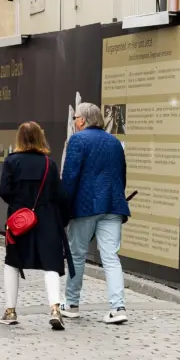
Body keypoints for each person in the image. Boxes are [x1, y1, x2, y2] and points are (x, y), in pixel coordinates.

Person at [60, 102, 130, 324]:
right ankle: (118, 307)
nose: (74, 122)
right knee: (111, 256)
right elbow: (122, 175)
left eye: (74, 119)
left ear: (81, 120)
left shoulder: (77, 140)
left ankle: (71, 303)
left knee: (77, 254)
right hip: (113, 205)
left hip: (85, 206)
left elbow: (70, 177)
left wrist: (64, 208)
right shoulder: (114, 142)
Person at [0, 120, 67, 330]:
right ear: (40, 138)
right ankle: (55, 308)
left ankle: (10, 310)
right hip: (46, 219)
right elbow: (58, 194)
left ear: (19, 139)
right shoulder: (49, 163)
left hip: (20, 220)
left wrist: (19, 204)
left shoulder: (12, 161)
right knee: (51, 263)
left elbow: (4, 191)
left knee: (12, 261)